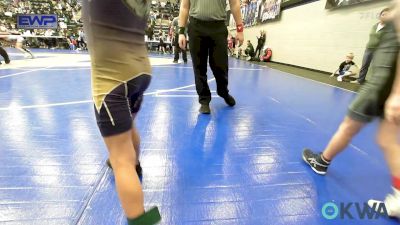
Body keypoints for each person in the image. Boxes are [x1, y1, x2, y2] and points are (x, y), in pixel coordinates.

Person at [302, 15, 400, 219]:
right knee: (386, 139)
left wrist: (397, 92)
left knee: (348, 127)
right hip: (384, 84)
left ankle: (321, 162)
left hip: (380, 85)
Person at [81, 0, 161, 224]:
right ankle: (135, 166)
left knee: (121, 160)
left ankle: (142, 220)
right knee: (128, 126)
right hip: (140, 73)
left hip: (112, 81)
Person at [178, 0, 244, 114]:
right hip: (196, 27)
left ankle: (223, 92)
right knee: (199, 67)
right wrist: (181, 32)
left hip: (218, 27)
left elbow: (234, 4)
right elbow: (184, 6)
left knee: (221, 66)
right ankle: (204, 100)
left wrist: (240, 30)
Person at [351, 8, 391, 84]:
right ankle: (360, 80)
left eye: (387, 15)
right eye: (383, 14)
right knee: (364, 65)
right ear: (380, 15)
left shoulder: (388, 28)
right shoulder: (375, 26)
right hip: (368, 49)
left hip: (378, 51)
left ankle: (374, 83)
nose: (384, 16)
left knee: (376, 67)